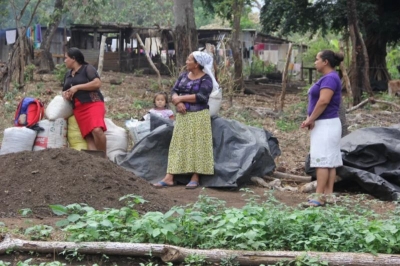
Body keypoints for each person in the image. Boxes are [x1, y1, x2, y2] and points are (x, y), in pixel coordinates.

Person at [153, 51, 217, 189]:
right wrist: (178, 103)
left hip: (199, 116)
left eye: (189, 60)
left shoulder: (206, 80)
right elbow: (174, 91)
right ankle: (169, 177)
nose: (186, 62)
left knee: (198, 145)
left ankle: (195, 176)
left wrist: (181, 98)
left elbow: (201, 97)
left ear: (197, 64)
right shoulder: (183, 76)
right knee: (177, 144)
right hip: (183, 117)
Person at [301, 49, 344, 207]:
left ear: (325, 62)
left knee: (322, 162)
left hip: (325, 124)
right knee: (330, 161)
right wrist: (310, 118)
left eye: (317, 59)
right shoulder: (330, 78)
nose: (315, 62)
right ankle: (328, 195)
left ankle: (318, 196)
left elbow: (323, 101)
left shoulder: (329, 79)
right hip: (328, 123)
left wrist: (311, 119)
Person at [62, 47, 107, 156]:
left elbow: (97, 83)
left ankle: (104, 159)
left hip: (93, 103)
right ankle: (94, 162)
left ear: (73, 59)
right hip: (79, 108)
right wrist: (66, 94)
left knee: (96, 130)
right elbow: (64, 90)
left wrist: (77, 87)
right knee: (88, 137)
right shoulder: (67, 75)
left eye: (66, 58)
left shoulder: (87, 68)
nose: (64, 60)